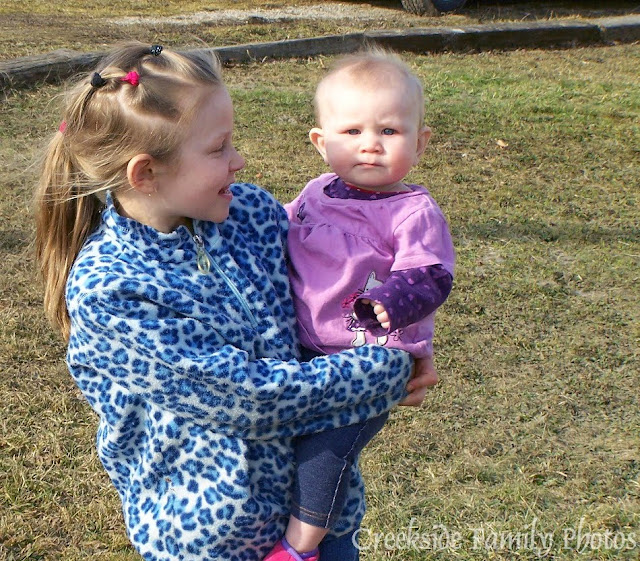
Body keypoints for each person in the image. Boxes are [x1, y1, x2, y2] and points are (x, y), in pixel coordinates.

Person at [34, 42, 436, 561]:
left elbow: (336, 291)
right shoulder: (113, 289)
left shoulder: (251, 214)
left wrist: (404, 334)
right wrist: (387, 369)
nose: (239, 161)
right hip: (216, 538)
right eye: (218, 148)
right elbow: (247, 399)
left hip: (324, 515)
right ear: (146, 174)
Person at [264, 50, 455, 561]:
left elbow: (431, 273)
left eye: (389, 131)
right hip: (309, 350)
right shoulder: (315, 193)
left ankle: (299, 547)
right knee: (294, 448)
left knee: (327, 451)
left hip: (373, 359)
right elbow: (278, 227)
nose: (370, 144)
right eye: (352, 131)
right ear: (320, 142)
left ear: (420, 142)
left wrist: (394, 300)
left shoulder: (413, 211)